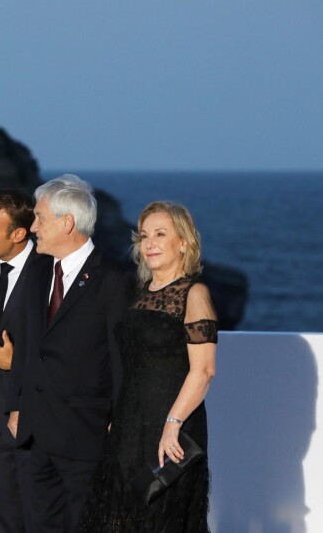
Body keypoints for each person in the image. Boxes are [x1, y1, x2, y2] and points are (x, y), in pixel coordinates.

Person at [80, 201, 218, 532]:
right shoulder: (139, 293)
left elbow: (203, 371)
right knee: (121, 519)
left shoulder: (194, 293)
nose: (150, 243)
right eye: (144, 236)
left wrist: (172, 424)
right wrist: (116, 418)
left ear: (183, 242)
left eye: (160, 234)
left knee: (164, 520)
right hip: (128, 427)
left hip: (173, 429)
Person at [6, 174, 131, 532]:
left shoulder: (114, 279)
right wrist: (17, 405)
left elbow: (122, 358)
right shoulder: (38, 272)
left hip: (86, 436)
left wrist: (116, 423)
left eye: (40, 219)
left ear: (67, 222)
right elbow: (29, 345)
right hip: (34, 433)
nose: (32, 228)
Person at [0, 189, 52, 533]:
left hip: (38, 415)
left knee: (41, 518)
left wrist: (17, 364)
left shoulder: (51, 272)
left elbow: (66, 347)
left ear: (18, 234)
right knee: (1, 521)